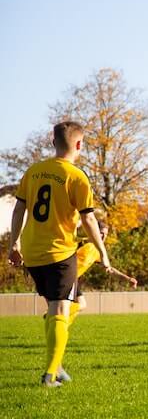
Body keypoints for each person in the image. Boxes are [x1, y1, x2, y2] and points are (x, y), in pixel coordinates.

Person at [7, 121, 111, 387]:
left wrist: (14, 243)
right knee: (61, 308)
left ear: (53, 143)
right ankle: (50, 375)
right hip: (60, 252)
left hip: (32, 251)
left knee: (65, 306)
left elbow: (19, 210)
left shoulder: (34, 171)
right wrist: (102, 251)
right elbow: (89, 220)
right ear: (79, 145)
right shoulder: (76, 176)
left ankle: (58, 364)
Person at [72, 221, 137, 325]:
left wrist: (127, 279)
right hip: (65, 277)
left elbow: (109, 269)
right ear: (93, 230)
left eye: (106, 234)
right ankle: (58, 316)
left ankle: (58, 318)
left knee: (80, 305)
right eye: (101, 233)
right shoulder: (81, 242)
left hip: (73, 280)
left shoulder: (98, 251)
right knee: (78, 304)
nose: (104, 236)